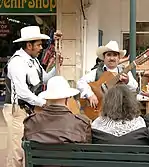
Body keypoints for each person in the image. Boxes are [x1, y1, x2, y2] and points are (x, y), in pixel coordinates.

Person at [2, 26, 62, 167]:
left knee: (27, 148)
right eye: (39, 44)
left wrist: (56, 66)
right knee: (17, 151)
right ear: (29, 45)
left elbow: (45, 79)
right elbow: (22, 92)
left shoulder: (33, 60)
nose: (41, 47)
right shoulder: (17, 62)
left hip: (29, 110)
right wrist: (43, 103)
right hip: (17, 110)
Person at [23, 76, 92, 144]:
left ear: (46, 99)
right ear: (67, 99)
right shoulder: (82, 124)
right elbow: (87, 151)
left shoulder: (30, 122)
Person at [77, 40, 138, 109]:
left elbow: (134, 88)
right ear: (104, 57)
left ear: (119, 58)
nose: (112, 58)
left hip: (120, 110)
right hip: (100, 111)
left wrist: (127, 81)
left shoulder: (125, 72)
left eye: (115, 55)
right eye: (109, 55)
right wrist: (90, 95)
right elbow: (80, 82)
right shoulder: (96, 71)